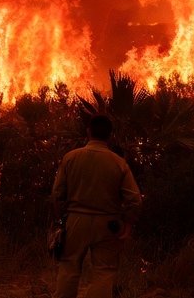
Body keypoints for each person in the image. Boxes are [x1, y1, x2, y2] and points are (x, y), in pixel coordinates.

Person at [50, 114, 142, 298]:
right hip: (108, 225)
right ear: (110, 136)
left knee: (69, 267)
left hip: (75, 221)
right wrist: (128, 226)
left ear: (88, 132)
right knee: (104, 272)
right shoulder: (118, 163)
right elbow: (134, 200)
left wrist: (60, 221)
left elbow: (57, 194)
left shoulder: (71, 158)